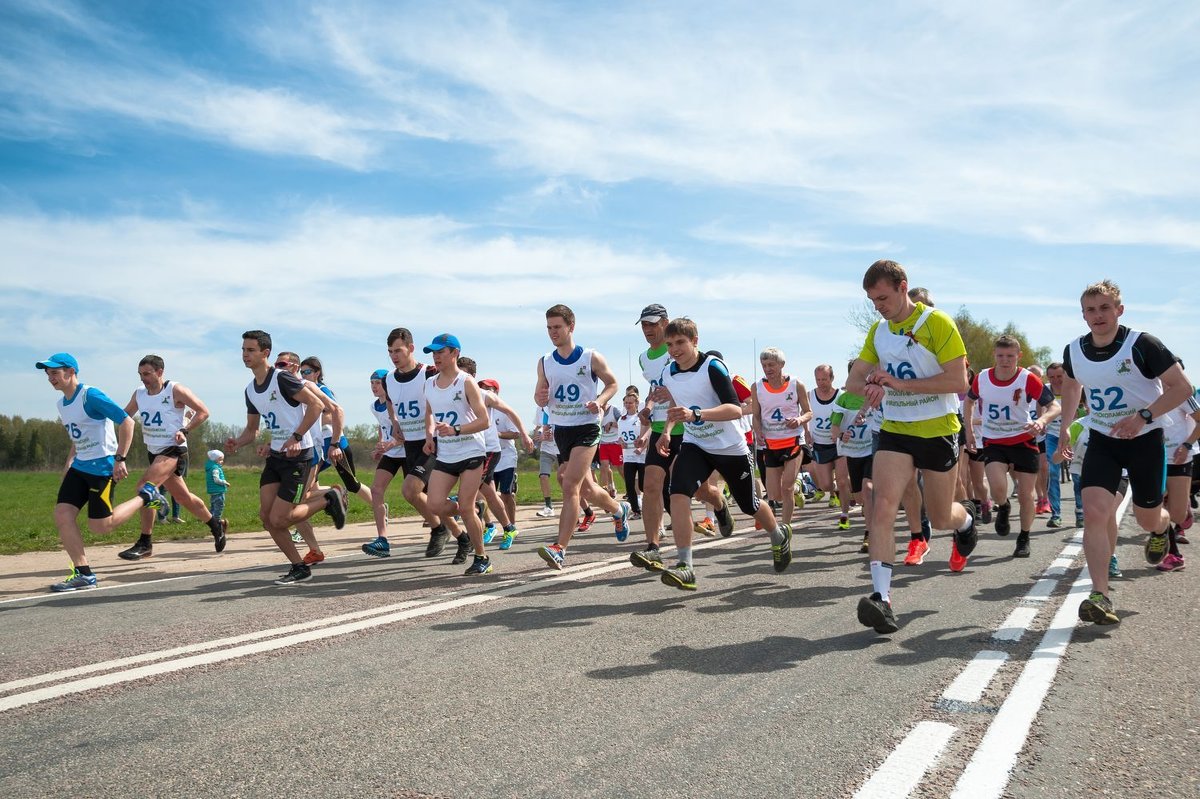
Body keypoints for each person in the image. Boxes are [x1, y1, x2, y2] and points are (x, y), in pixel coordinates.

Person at [846, 260, 976, 634]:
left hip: (938, 429)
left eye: (883, 297)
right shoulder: (879, 332)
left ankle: (965, 522)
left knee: (939, 517)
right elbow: (854, 382)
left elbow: (958, 381)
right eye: (872, 300)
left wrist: (901, 386)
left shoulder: (937, 323)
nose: (878, 306)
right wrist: (873, 384)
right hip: (896, 430)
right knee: (884, 505)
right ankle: (882, 600)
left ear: (903, 287)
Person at [1053, 280, 1192, 625]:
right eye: (1090, 309)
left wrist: (1144, 415)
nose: (1098, 315)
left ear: (1119, 310)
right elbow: (1072, 387)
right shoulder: (1074, 350)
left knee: (1148, 517)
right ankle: (1100, 594)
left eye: (1104, 308)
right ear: (1083, 315)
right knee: (1096, 512)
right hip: (1103, 440)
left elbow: (1182, 388)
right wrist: (1065, 431)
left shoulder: (1142, 344)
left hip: (1145, 440)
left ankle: (1161, 530)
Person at [650, 318, 792, 591]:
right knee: (677, 492)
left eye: (680, 342)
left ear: (695, 341)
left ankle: (778, 534)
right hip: (696, 444)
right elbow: (679, 407)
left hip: (729, 448)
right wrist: (667, 430)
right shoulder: (669, 373)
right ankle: (686, 566)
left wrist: (698, 414)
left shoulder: (712, 367)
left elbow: (735, 409)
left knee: (749, 505)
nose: (675, 349)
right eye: (670, 344)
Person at [38, 352, 170, 591]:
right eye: (48, 374)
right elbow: (77, 437)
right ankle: (83, 573)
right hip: (80, 467)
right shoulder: (62, 404)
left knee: (101, 527)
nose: (51, 378)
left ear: (71, 372)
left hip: (101, 466)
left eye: (55, 373)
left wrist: (120, 458)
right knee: (62, 515)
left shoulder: (91, 396)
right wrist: (69, 462)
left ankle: (146, 497)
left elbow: (127, 421)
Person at [224, 330, 347, 585]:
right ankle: (298, 566)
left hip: (299, 456)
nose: (245, 355)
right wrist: (238, 442)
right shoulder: (250, 390)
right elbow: (252, 430)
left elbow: (316, 406)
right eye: (243, 350)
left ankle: (329, 498)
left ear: (265, 353)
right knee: (266, 517)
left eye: (250, 350)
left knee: (281, 517)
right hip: (277, 457)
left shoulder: (281, 379)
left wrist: (297, 436)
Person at [534, 304, 630, 570]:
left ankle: (560, 548)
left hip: (586, 427)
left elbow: (612, 383)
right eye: (549, 328)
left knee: (569, 484)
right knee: (588, 489)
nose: (553, 332)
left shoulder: (590, 357)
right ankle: (618, 510)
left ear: (571, 327)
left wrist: (599, 401)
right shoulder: (545, 361)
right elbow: (539, 393)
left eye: (557, 327)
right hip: (561, 430)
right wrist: (540, 396)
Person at [362, 328, 464, 560]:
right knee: (429, 499)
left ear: (411, 348)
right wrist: (395, 420)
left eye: (398, 350)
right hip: (409, 443)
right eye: (390, 352)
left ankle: (440, 527)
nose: (394, 356)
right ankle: (461, 535)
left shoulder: (428, 373)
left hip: (432, 442)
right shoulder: (388, 379)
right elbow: (389, 402)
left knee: (410, 490)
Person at [116, 354, 229, 561]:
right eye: (140, 374)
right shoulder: (139, 394)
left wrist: (184, 430)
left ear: (160, 372)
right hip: (154, 451)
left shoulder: (175, 389)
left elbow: (203, 412)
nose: (143, 378)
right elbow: (124, 417)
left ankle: (145, 542)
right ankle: (216, 524)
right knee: (183, 498)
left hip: (173, 450)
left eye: (147, 374)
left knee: (145, 487)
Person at [963, 335, 1059, 558]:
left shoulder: (1027, 379)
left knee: (1026, 495)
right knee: (997, 487)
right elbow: (969, 401)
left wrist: (1042, 421)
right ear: (994, 355)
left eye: (1010, 356)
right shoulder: (983, 378)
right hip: (993, 441)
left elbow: (1054, 406)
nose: (1004, 361)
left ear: (1018, 356)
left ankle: (1024, 537)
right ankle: (1003, 506)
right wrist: (968, 430)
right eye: (1000, 356)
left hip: (1023, 440)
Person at [421, 333, 494, 575]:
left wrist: (456, 429)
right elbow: (429, 413)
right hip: (447, 452)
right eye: (434, 352)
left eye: (441, 352)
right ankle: (474, 511)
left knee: (464, 507)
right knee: (434, 504)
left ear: (455, 354)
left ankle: (482, 558)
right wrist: (430, 436)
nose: (436, 357)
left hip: (472, 450)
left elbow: (484, 421)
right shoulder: (430, 383)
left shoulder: (466, 382)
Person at [632, 303, 684, 570]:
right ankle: (653, 546)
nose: (648, 330)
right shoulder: (644, 358)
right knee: (650, 485)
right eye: (644, 325)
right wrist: (648, 409)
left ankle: (718, 506)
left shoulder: (678, 349)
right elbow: (655, 389)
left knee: (692, 488)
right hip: (661, 428)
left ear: (666, 322)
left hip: (685, 427)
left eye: (652, 324)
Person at [751, 347, 813, 528]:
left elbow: (809, 412)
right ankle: (797, 487)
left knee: (785, 487)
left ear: (781, 364)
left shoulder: (796, 384)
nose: (767, 369)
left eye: (771, 365)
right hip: (770, 444)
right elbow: (756, 415)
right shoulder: (757, 387)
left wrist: (799, 419)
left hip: (793, 441)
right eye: (764, 365)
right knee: (774, 495)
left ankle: (785, 528)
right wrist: (758, 431)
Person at [1159, 394, 1200, 571]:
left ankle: (1184, 508)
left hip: (1179, 458)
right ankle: (1174, 555)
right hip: (1153, 458)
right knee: (1155, 506)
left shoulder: (1182, 393)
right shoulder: (1144, 390)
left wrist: (1188, 445)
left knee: (1177, 515)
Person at [617, 392, 646, 519]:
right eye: (626, 403)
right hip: (628, 455)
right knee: (629, 484)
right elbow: (619, 436)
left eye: (630, 402)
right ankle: (636, 511)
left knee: (642, 484)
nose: (628, 405)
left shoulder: (641, 418)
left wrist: (641, 447)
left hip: (642, 455)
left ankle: (653, 503)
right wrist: (621, 442)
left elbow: (648, 435)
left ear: (636, 404)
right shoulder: (621, 419)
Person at [205, 449, 229, 524]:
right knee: (218, 508)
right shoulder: (215, 468)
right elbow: (216, 479)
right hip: (218, 492)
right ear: (216, 460)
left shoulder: (210, 467)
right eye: (221, 460)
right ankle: (217, 523)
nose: (222, 462)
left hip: (213, 492)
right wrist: (225, 482)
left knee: (212, 508)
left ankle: (210, 520)